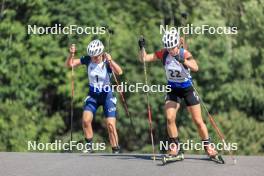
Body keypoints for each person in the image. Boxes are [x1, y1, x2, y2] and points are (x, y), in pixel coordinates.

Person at [138, 30, 218, 160]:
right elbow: (144, 58)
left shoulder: (184, 53)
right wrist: (141, 48)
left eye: (173, 47)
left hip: (187, 89)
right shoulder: (164, 54)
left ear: (177, 45)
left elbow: (196, 67)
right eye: (168, 48)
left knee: (198, 121)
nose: (170, 50)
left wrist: (183, 61)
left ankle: (208, 146)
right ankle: (175, 146)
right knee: (170, 118)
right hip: (173, 89)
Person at [66, 39, 122, 154]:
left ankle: (115, 149)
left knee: (111, 125)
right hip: (93, 95)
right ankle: (89, 146)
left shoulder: (107, 62)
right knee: (86, 120)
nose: (93, 59)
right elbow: (70, 64)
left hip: (107, 96)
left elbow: (119, 72)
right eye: (92, 56)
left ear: (101, 54)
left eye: (96, 57)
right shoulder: (87, 60)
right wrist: (71, 54)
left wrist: (111, 61)